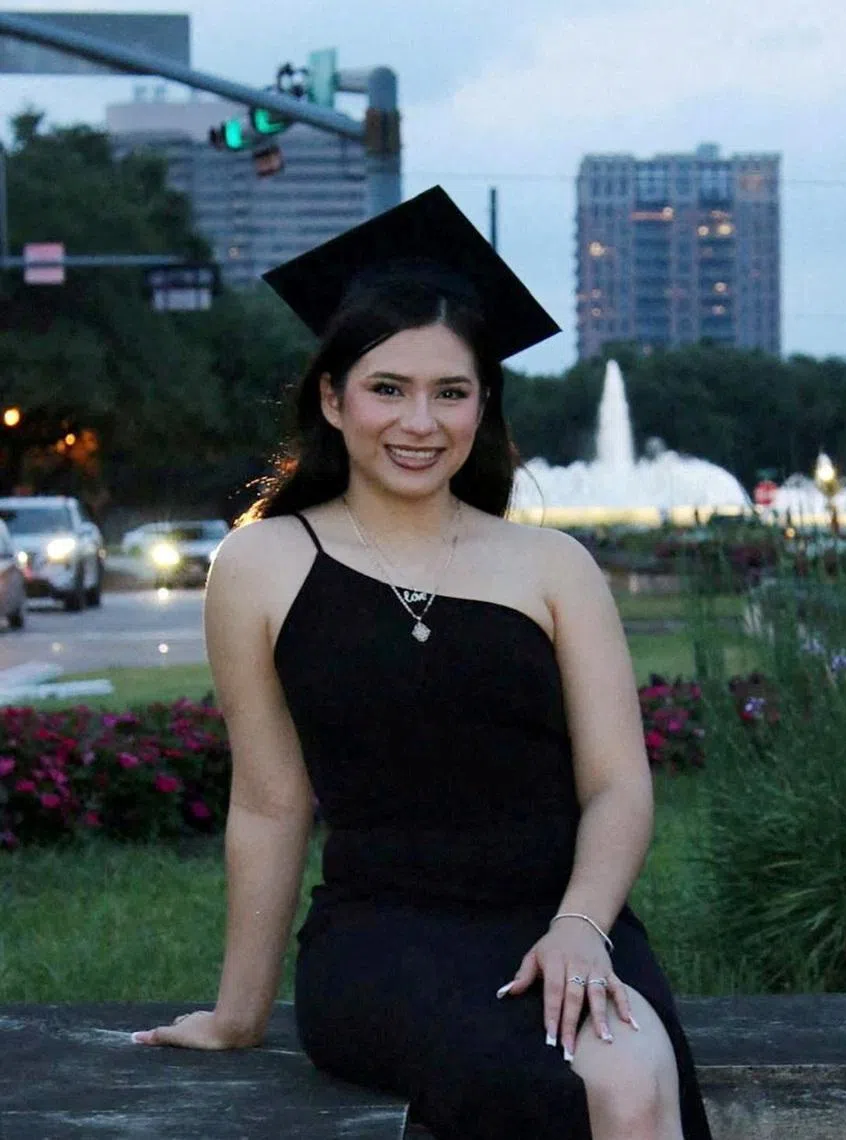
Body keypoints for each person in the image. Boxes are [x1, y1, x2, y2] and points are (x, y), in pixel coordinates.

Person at [131, 186, 713, 1140]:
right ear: (332, 396)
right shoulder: (263, 564)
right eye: (387, 388)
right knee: (568, 1089)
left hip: (563, 917)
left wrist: (581, 925)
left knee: (639, 1076)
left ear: (483, 405)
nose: (420, 421)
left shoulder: (554, 566)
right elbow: (271, 802)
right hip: (382, 938)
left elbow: (618, 787)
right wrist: (239, 1014)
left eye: (451, 391)